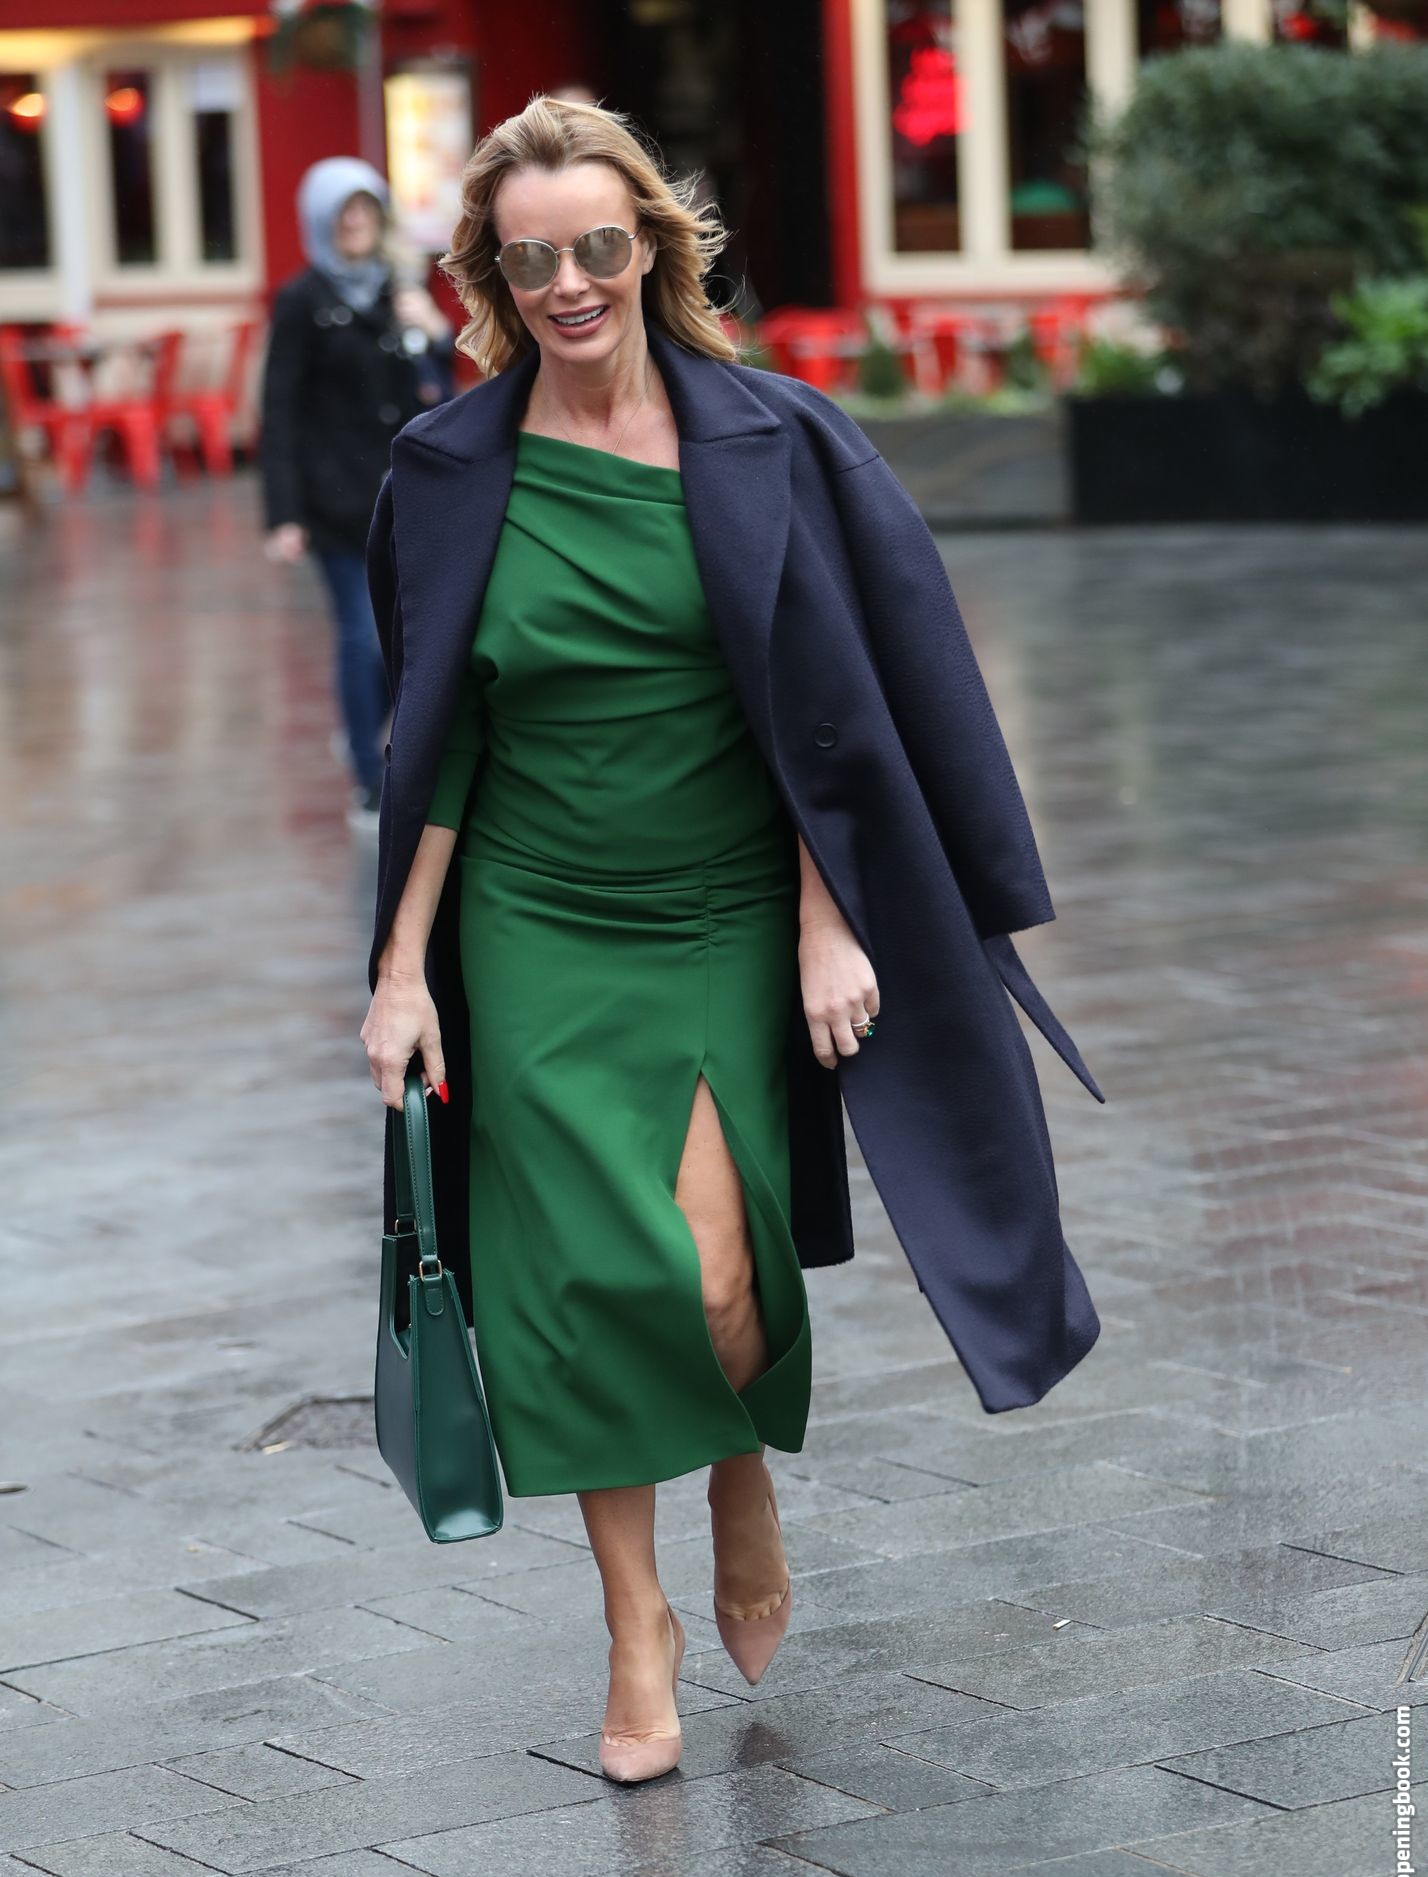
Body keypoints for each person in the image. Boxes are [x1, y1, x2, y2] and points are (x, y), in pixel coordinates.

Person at [361, 96, 1103, 1787]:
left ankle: (740, 1475)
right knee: (584, 1273)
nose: (568, 284)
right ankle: (636, 1625)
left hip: (722, 906)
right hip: (535, 919)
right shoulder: (449, 468)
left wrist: (832, 922)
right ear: (491, 278)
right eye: (528, 260)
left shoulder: (773, 438)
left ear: (650, 247)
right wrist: (402, 973)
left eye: (595, 247)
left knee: (709, 1282)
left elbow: (833, 714)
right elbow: (435, 735)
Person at [259, 156, 454, 828]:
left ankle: (366, 727)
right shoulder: (302, 300)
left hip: (407, 498)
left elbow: (438, 394)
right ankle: (370, 777)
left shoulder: (400, 290)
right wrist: (284, 513)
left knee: (408, 638)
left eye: (365, 210)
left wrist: (435, 334)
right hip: (337, 500)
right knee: (363, 636)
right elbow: (279, 408)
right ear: (320, 221)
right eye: (343, 212)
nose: (355, 223)